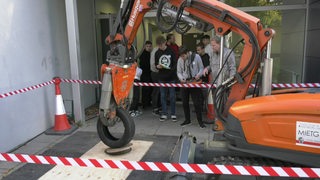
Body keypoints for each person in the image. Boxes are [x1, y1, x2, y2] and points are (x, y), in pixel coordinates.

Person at [177, 46, 206, 128]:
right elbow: (179, 72)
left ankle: (200, 121)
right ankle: (187, 120)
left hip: (194, 81)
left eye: (183, 56)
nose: (182, 58)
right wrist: (181, 78)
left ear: (187, 53)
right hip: (185, 82)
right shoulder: (180, 60)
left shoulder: (196, 57)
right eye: (181, 56)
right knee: (185, 102)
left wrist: (198, 75)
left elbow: (201, 68)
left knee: (197, 103)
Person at [155, 35, 177, 121]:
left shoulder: (171, 51)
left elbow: (175, 63)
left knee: (172, 96)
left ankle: (173, 113)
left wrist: (171, 70)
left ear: (164, 43)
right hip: (161, 77)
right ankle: (164, 113)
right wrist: (157, 66)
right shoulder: (157, 53)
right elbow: (156, 64)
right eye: (158, 45)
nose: (160, 47)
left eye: (161, 45)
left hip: (171, 77)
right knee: (163, 96)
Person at [196, 42, 210, 113]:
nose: (197, 52)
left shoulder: (206, 57)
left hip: (205, 79)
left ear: (203, 49)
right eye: (197, 50)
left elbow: (207, 67)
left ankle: (206, 109)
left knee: (205, 96)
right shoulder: (197, 57)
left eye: (199, 50)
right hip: (198, 79)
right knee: (199, 96)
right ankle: (199, 109)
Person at [139, 41, 153, 109]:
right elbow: (143, 65)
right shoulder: (142, 55)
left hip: (150, 74)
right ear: (144, 47)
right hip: (144, 74)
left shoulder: (151, 54)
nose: (149, 48)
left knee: (150, 89)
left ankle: (148, 102)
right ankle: (144, 103)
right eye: (147, 46)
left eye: (150, 46)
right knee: (145, 89)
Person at [150, 46, 161, 116]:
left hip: (155, 72)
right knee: (156, 91)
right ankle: (155, 108)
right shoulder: (156, 51)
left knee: (158, 90)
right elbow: (153, 64)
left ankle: (157, 106)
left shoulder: (155, 50)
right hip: (156, 72)